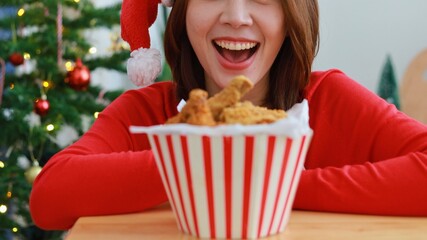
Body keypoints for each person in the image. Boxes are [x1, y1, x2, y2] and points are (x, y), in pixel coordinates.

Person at [29, 0, 427, 230]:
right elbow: (49, 199)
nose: (237, 15)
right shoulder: (147, 112)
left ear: (292, 17)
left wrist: (274, 182)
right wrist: (198, 160)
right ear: (181, 13)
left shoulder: (332, 101)